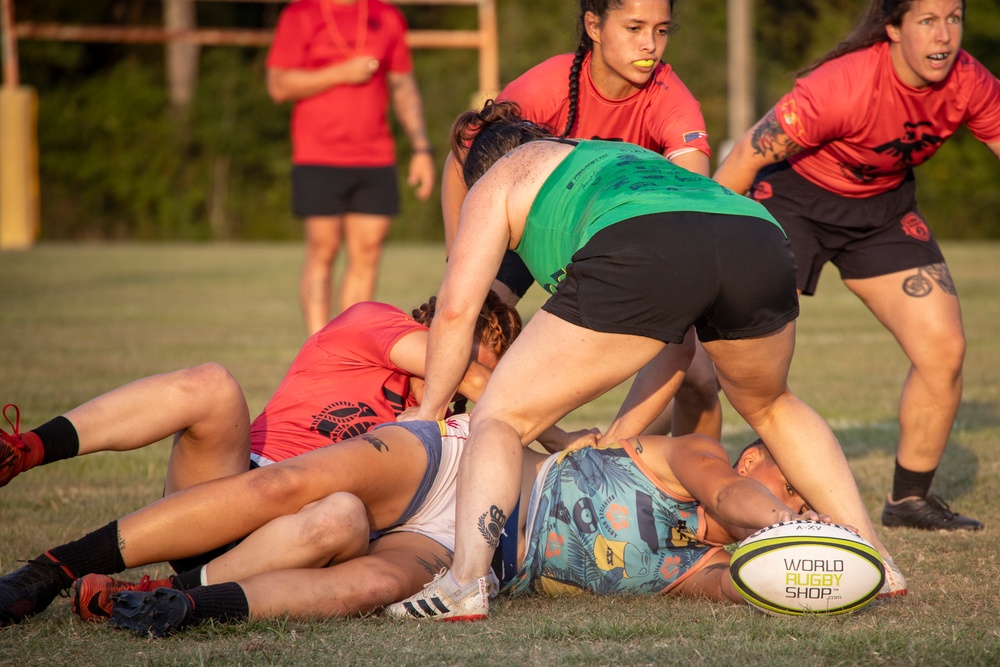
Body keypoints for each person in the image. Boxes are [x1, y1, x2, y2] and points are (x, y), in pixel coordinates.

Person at [386, 100, 905, 622]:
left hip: (645, 241)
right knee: (771, 405)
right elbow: (674, 341)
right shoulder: (610, 154)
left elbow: (456, 309)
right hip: (756, 234)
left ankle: (464, 583)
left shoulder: (498, 177)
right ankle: (877, 562)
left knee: (499, 417)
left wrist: (430, 408)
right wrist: (618, 438)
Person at [0, 294, 525, 626]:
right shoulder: (372, 322)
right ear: (436, 326)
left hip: (282, 543)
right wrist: (540, 416)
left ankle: (154, 595)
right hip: (229, 486)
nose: (475, 381)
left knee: (344, 513)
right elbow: (470, 377)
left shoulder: (439, 433)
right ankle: (24, 453)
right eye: (472, 353)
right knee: (213, 386)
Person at [95, 418, 826, 636]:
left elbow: (760, 584)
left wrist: (836, 575)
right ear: (758, 451)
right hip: (460, 463)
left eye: (802, 502)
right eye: (791, 481)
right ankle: (64, 565)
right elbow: (735, 496)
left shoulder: (697, 570)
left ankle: (185, 605)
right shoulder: (699, 454)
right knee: (285, 484)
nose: (793, 503)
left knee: (373, 583)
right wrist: (800, 523)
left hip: (472, 555)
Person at [713, 0, 1000, 531]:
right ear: (892, 28)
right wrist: (699, 234)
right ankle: (692, 477)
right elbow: (749, 155)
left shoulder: (969, 82)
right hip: (794, 197)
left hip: (883, 209)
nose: (944, 35)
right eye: (927, 20)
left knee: (945, 348)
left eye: (954, 18)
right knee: (738, 354)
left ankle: (909, 500)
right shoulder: (841, 85)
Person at [442, 0, 721, 440]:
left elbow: (693, 199)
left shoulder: (671, 98)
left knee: (701, 381)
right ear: (593, 24)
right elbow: (463, 157)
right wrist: (459, 258)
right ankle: (437, 449)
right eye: (634, 27)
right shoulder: (546, 86)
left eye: (662, 30)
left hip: (620, 240)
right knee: (471, 332)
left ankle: (660, 486)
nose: (650, 45)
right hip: (534, 225)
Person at [266, 0, 437, 335]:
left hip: (376, 155)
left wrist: (421, 148)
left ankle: (346, 346)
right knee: (323, 248)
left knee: (367, 252)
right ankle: (317, 345)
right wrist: (340, 73)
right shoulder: (299, 15)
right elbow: (278, 86)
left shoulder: (386, 16)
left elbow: (403, 87)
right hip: (317, 155)